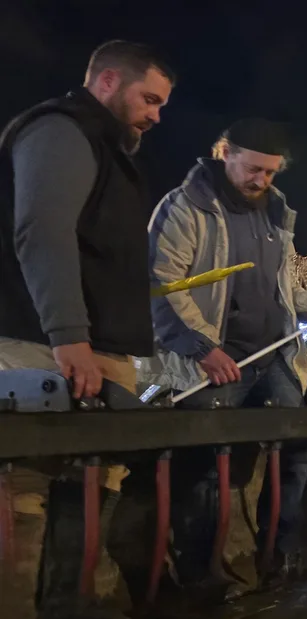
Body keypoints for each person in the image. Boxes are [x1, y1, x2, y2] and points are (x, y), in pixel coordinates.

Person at [0, 40, 175, 618]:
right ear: (106, 82)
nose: (156, 114)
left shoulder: (102, 146)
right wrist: (68, 335)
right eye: (149, 98)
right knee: (24, 497)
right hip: (45, 346)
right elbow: (43, 232)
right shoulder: (61, 130)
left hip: (90, 346)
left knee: (88, 498)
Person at [147, 119, 307, 585]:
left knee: (297, 449)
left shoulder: (275, 214)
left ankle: (278, 554)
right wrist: (201, 347)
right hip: (214, 359)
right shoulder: (184, 208)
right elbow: (162, 283)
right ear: (225, 152)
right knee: (206, 463)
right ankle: (201, 570)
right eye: (254, 169)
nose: (262, 181)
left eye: (271, 173)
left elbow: (282, 282)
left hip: (274, 357)